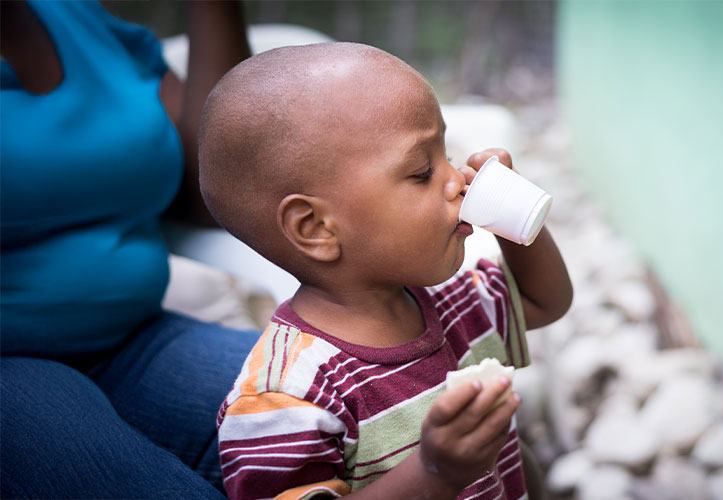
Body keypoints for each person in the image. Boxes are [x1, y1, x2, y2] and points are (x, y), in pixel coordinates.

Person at [201, 42, 574, 499]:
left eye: (446, 153)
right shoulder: (287, 397)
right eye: (422, 171)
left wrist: (516, 222)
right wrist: (435, 473)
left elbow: (545, 302)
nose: (457, 179)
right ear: (317, 227)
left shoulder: (453, 303)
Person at [0, 1, 257, 497]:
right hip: (10, 365)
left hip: (136, 340)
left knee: (380, 407)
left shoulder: (78, 18)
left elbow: (218, 189)